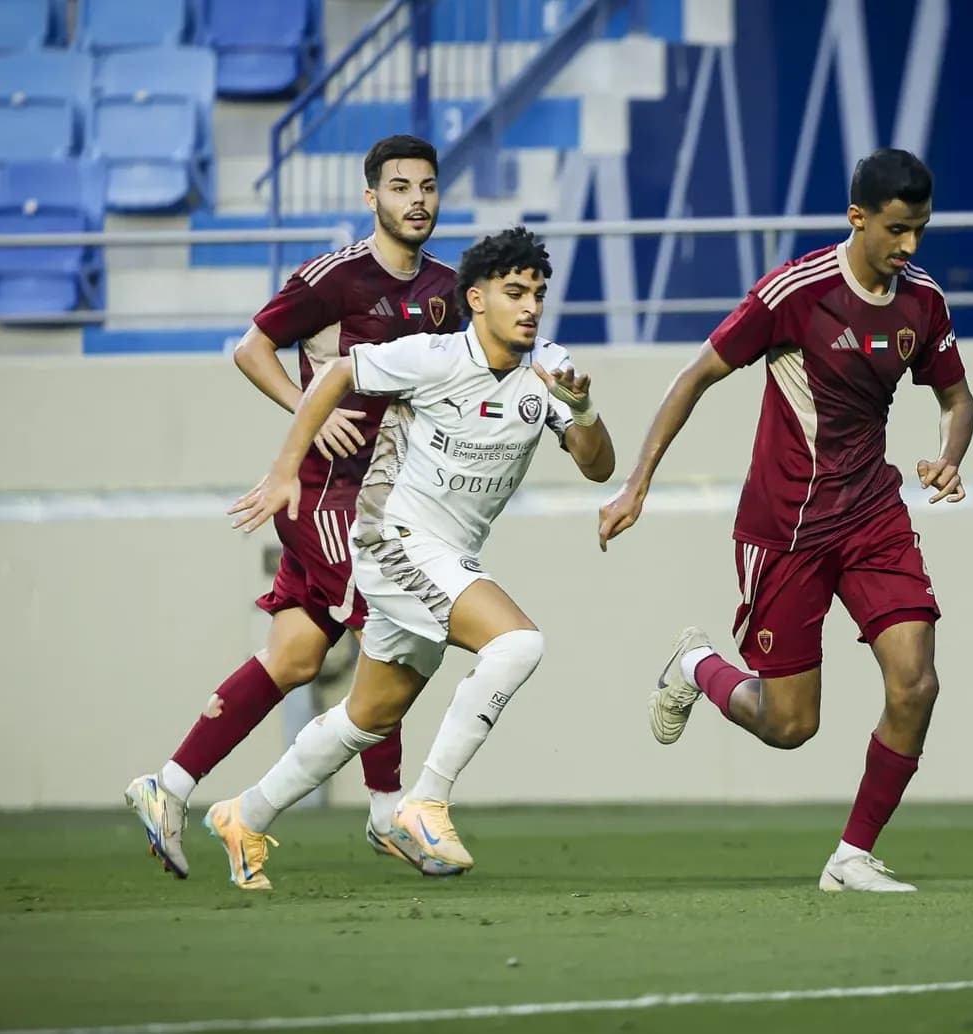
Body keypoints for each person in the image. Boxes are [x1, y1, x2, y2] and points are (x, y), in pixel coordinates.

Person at [597, 148, 973, 893]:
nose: (910, 245)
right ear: (857, 218)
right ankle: (696, 666)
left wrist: (949, 456)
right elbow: (695, 375)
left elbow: (956, 398)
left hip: (873, 518)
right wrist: (636, 482)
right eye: (897, 229)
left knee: (916, 685)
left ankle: (851, 857)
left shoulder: (923, 302)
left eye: (921, 230)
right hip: (786, 530)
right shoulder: (795, 293)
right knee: (789, 725)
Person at [203, 226, 615, 890]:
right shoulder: (434, 355)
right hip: (394, 540)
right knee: (517, 644)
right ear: (476, 299)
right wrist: (284, 470)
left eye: (538, 293)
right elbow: (340, 371)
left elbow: (599, 467)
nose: (530, 306)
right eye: (514, 292)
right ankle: (425, 803)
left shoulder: (548, 367)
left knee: (367, 717)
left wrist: (583, 409)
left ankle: (242, 815)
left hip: (446, 555)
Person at [123, 135, 462, 879]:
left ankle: (167, 786)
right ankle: (389, 812)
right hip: (330, 496)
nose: (416, 200)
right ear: (371, 197)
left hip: (391, 496)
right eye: (400, 187)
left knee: (294, 657)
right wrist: (309, 406)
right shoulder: (332, 279)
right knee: (392, 630)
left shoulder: (448, 287)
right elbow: (250, 349)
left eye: (427, 187)